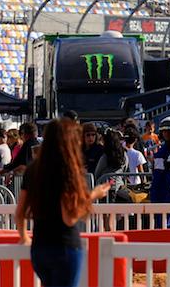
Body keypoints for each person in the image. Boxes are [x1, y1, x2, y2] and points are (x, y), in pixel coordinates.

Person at [16, 118, 111, 287]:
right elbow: (70, 218)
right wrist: (94, 195)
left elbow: (20, 211)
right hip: (64, 247)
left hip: (39, 249)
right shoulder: (68, 170)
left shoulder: (33, 169)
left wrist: (23, 236)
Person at [149, 115, 170, 202]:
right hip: (164, 193)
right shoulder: (161, 153)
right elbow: (157, 178)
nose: (166, 134)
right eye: (164, 131)